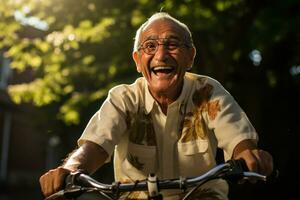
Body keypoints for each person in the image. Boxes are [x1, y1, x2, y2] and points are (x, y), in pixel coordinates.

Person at [39, 12, 273, 200]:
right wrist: (70, 169)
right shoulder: (123, 98)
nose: (161, 55)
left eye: (172, 44)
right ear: (138, 61)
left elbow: (236, 137)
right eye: (150, 46)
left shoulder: (207, 92)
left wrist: (247, 154)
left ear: (190, 57)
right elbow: (96, 146)